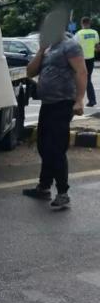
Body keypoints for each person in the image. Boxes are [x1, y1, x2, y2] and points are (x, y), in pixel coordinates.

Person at [23, 30, 87, 210]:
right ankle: (43, 186)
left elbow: (81, 72)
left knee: (56, 148)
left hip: (63, 103)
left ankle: (63, 192)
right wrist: (41, 49)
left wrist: (80, 99)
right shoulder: (49, 49)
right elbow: (30, 71)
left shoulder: (70, 46)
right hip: (48, 103)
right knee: (43, 145)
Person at [75, 17, 99, 107]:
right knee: (88, 79)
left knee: (79, 79)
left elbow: (73, 46)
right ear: (89, 23)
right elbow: (97, 47)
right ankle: (92, 100)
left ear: (82, 24)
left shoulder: (79, 34)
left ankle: (78, 100)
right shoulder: (94, 33)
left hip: (81, 59)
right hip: (91, 59)